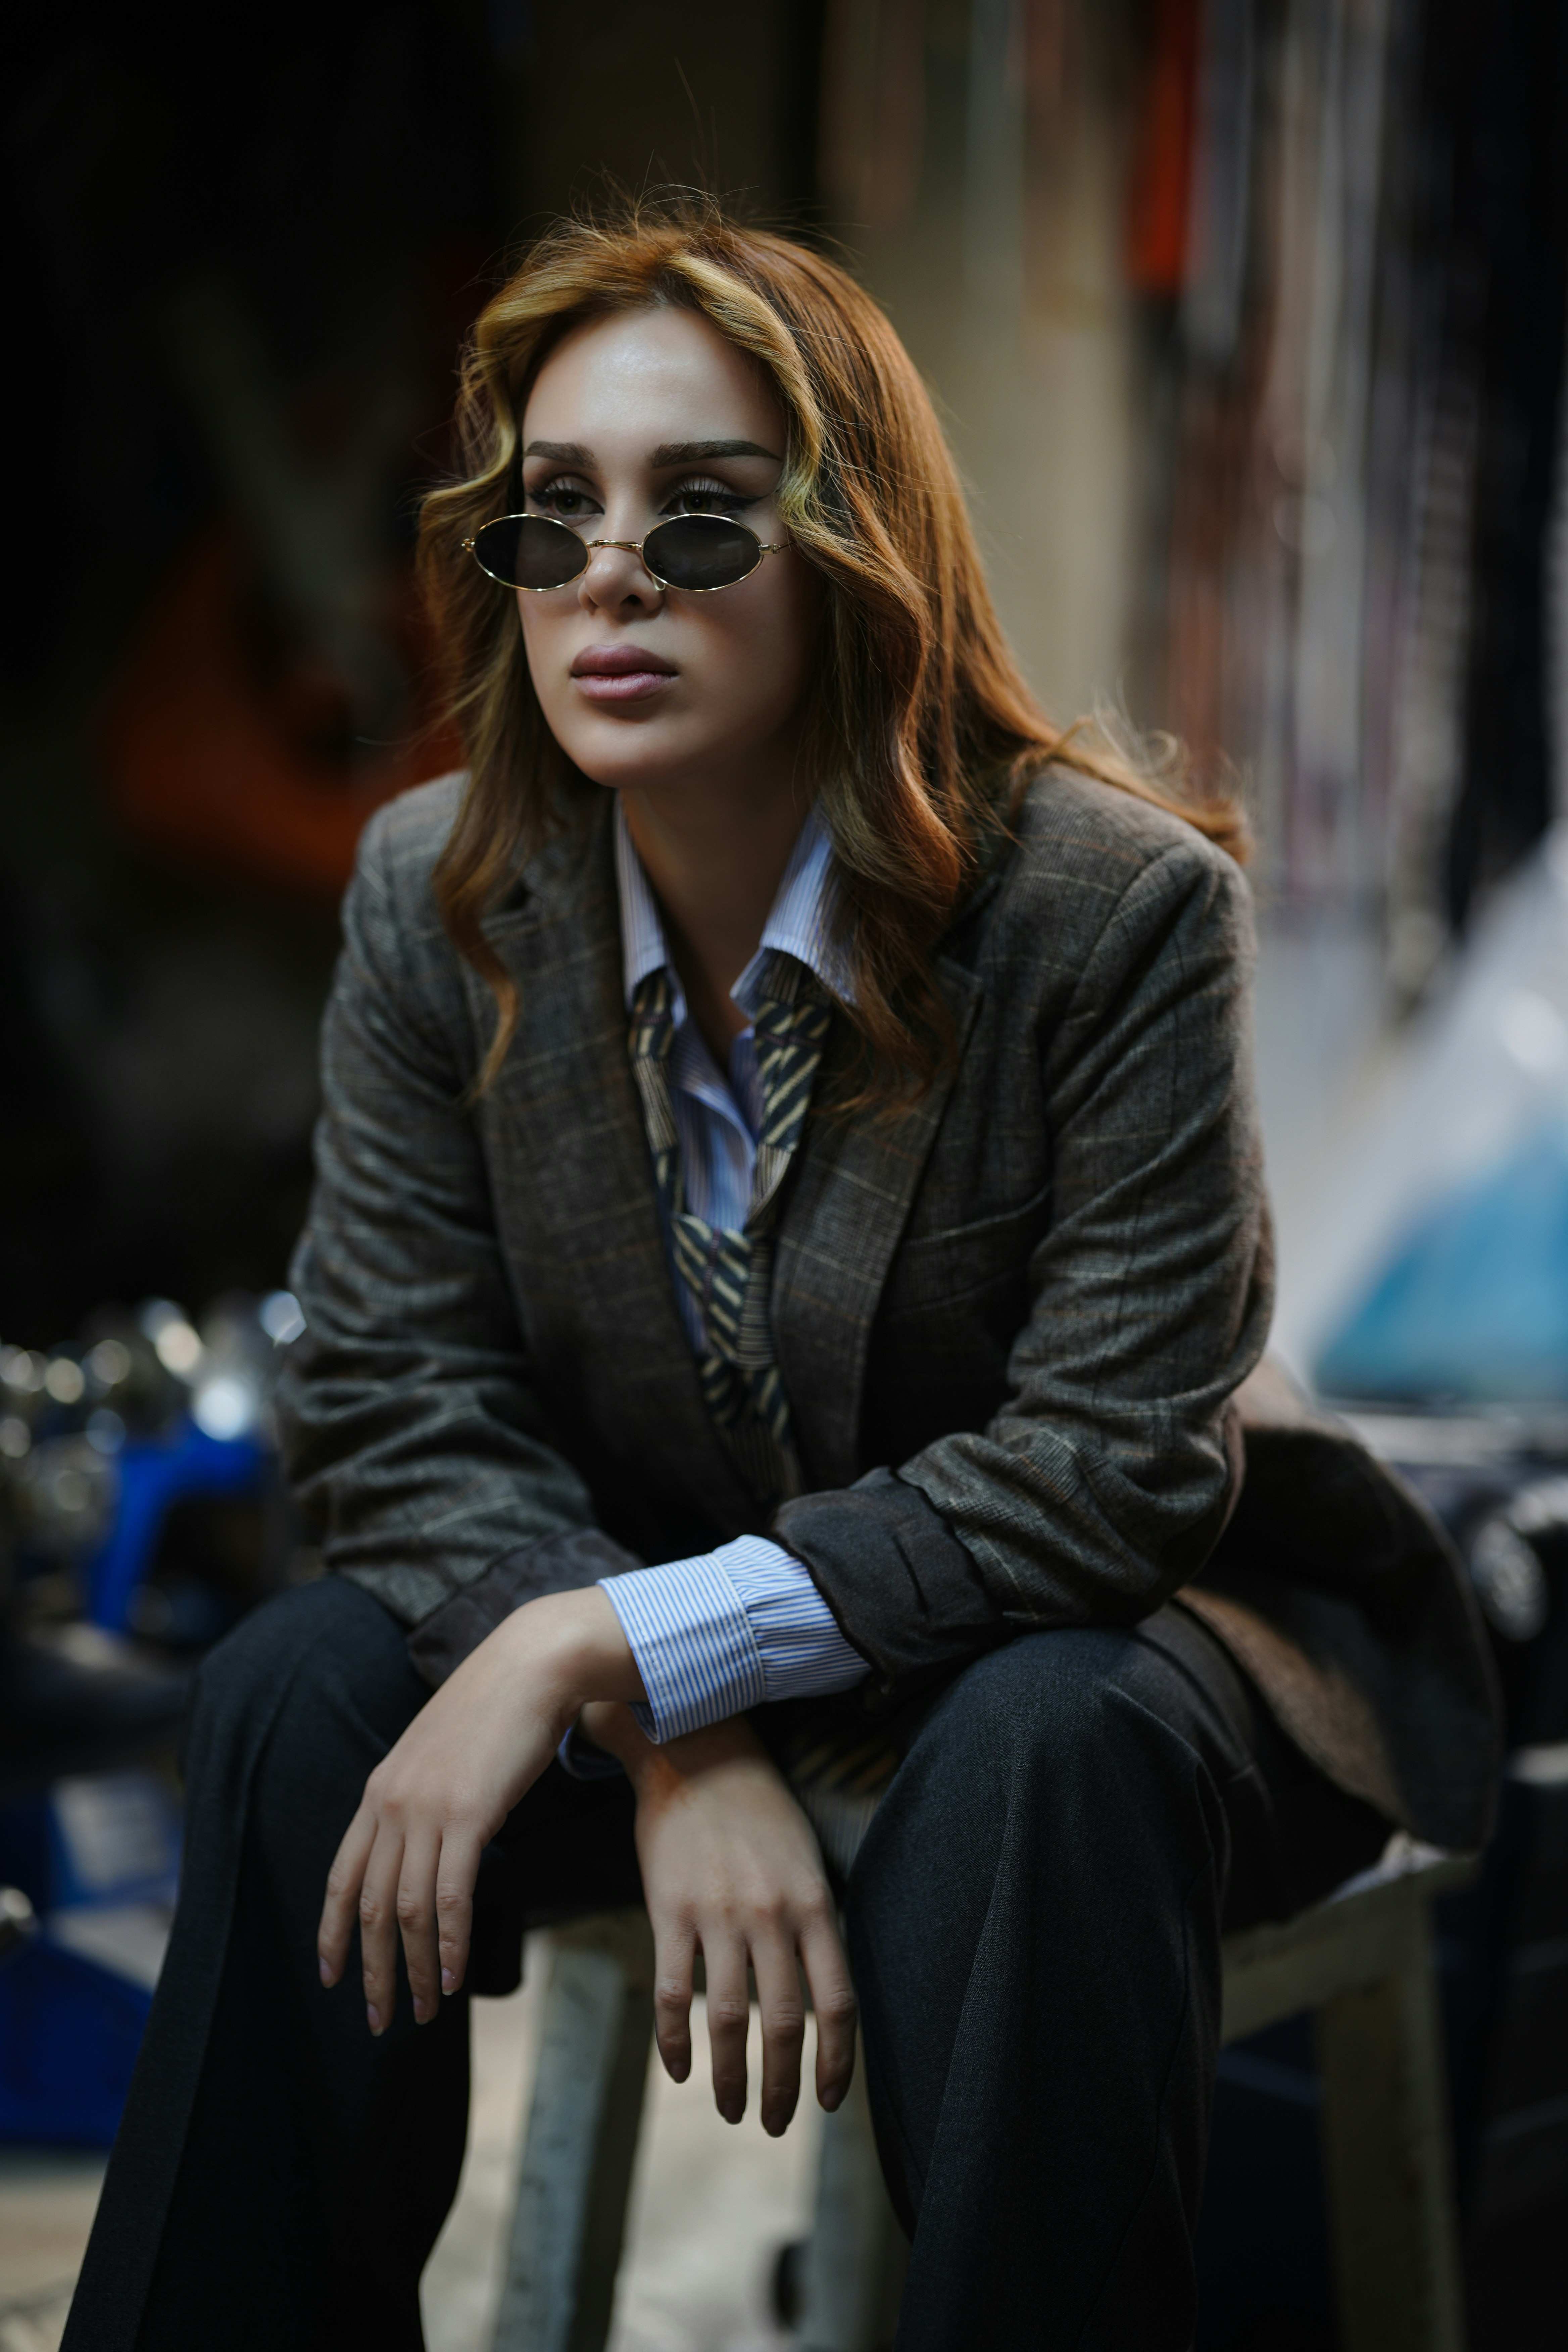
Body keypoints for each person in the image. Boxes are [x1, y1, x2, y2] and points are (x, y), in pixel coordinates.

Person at [64, 200, 1498, 2352]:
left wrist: (609, 1654)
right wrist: (671, 1729)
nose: (612, 573)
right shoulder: (437, 895)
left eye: (701, 516)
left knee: (1041, 1750)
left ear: (852, 553)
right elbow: (389, 1399)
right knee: (296, 1690)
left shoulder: (1111, 917)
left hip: (1107, 1639)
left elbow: (1107, 1470)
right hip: (659, 1607)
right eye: (555, 517)